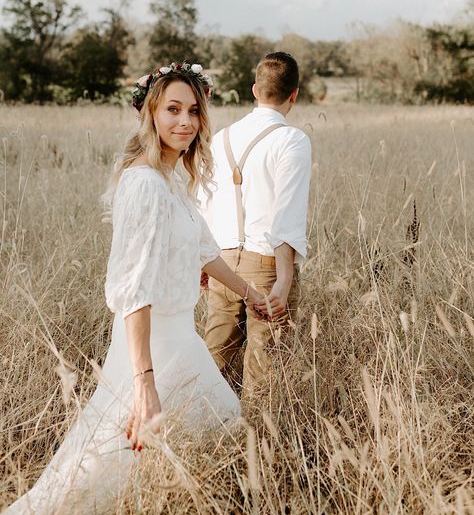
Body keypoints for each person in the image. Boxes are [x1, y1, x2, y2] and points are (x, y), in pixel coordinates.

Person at [6, 62, 268, 515]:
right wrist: (143, 381)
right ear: (150, 113)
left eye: (193, 111)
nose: (185, 121)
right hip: (150, 345)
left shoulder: (175, 179)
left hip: (182, 338)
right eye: (172, 110)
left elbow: (203, 249)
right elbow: (133, 288)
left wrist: (251, 294)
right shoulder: (144, 183)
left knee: (219, 427)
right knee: (106, 462)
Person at [202, 52, 312, 398]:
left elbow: (205, 201)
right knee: (265, 369)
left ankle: (195, 430)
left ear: (254, 90)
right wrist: (284, 279)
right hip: (265, 265)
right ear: (294, 95)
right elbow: (286, 216)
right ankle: (258, 442)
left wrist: (204, 262)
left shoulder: (221, 138)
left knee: (211, 360)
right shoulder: (292, 140)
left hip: (222, 261)